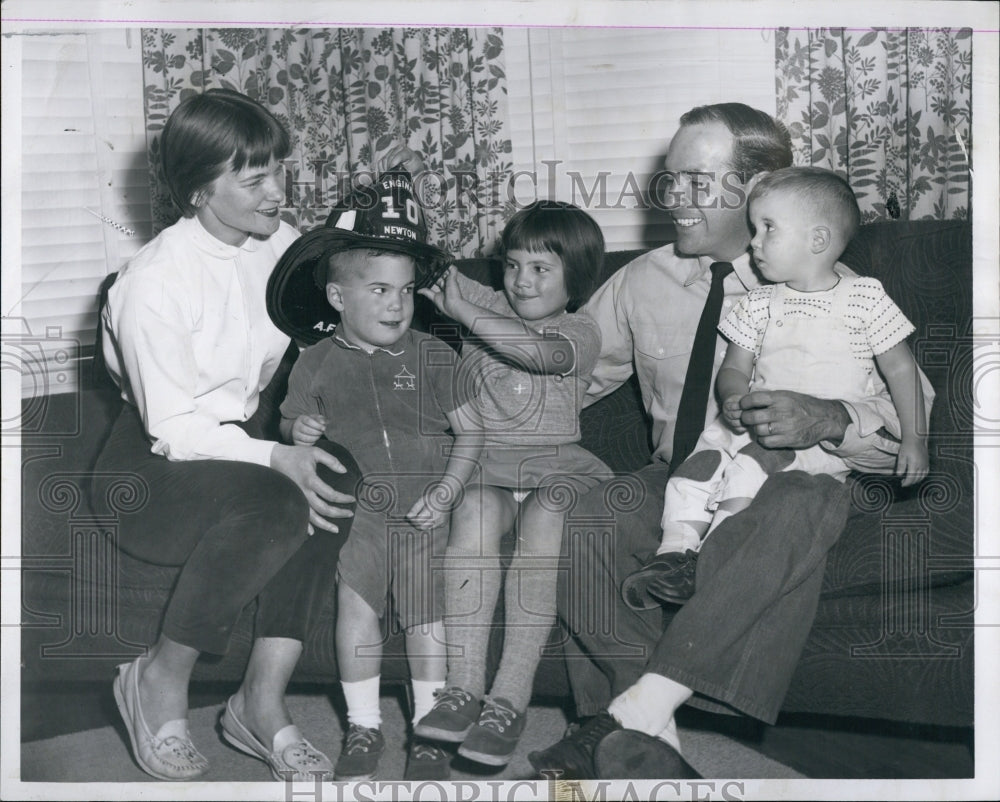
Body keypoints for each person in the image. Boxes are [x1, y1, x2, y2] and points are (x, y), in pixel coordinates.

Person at [527, 103, 935, 780]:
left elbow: (913, 412)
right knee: (592, 513)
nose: (673, 200)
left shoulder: (828, 284)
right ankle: (648, 743)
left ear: (757, 188)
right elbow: (559, 379)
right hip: (689, 472)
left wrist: (833, 417)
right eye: (670, 179)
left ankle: (623, 725)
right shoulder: (641, 281)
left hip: (804, 473)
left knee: (795, 500)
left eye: (694, 181)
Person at [98, 88, 417, 782]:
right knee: (276, 495)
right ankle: (156, 679)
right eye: (255, 179)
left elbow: (318, 341)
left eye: (280, 170)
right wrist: (277, 453)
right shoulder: (152, 281)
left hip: (242, 436)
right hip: (149, 466)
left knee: (333, 472)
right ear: (198, 190)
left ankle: (258, 700)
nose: (278, 192)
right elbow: (175, 426)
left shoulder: (278, 244)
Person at [267, 168, 483, 782]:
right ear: (338, 298)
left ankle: (429, 731)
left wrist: (448, 490)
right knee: (355, 609)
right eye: (381, 291)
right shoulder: (313, 362)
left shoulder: (436, 354)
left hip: (424, 508)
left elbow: (471, 432)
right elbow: (292, 429)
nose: (398, 304)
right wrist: (298, 433)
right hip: (358, 513)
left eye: (408, 291)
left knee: (424, 616)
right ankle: (363, 727)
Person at [412, 201, 613, 767]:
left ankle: (510, 698)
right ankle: (464, 686)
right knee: (473, 511)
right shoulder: (490, 300)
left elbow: (540, 355)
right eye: (512, 265)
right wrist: (406, 189)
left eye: (540, 269)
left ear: (576, 277)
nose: (521, 281)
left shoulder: (579, 329)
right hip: (489, 465)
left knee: (548, 514)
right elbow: (431, 269)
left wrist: (467, 316)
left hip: (555, 466)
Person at [652, 166, 928, 574]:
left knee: (748, 469)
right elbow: (733, 368)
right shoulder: (759, 303)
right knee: (696, 469)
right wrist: (732, 397)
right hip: (751, 421)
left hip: (811, 442)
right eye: (754, 229)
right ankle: (673, 553)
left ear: (818, 239)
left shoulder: (865, 297)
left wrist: (915, 440)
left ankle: (710, 559)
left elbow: (902, 372)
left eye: (768, 229)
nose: (754, 243)